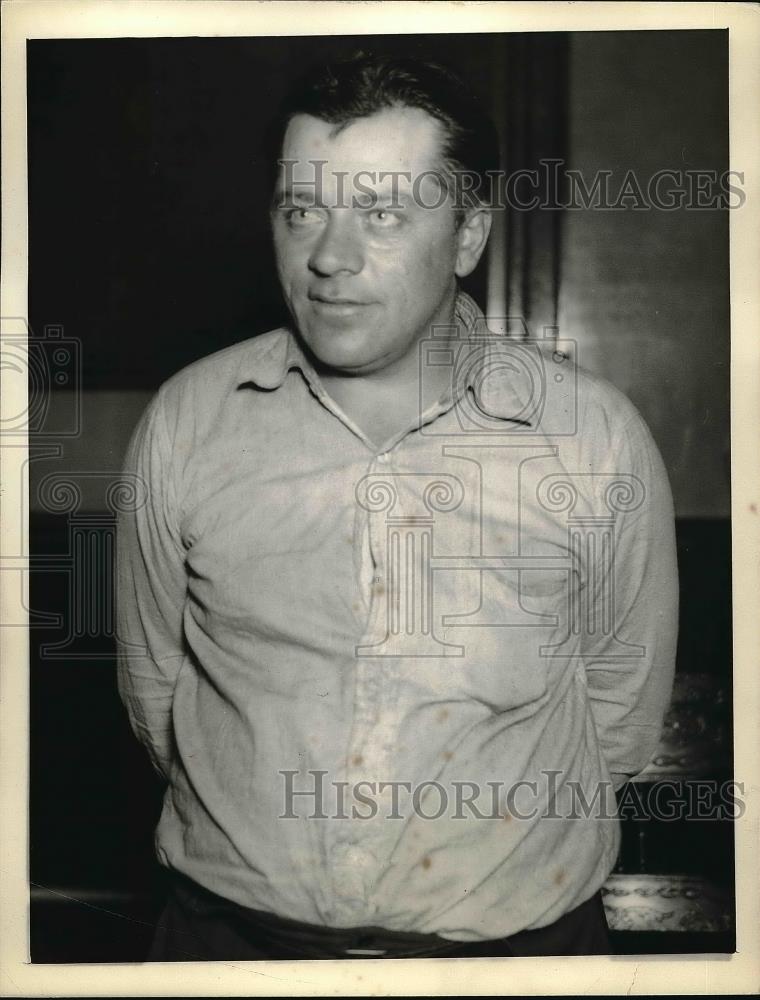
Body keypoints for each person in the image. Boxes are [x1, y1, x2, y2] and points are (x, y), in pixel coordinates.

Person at [116, 52, 678, 960]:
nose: (329, 258)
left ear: (466, 237)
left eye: (382, 214)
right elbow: (158, 690)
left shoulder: (590, 439)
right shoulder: (190, 420)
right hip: (229, 950)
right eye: (302, 211)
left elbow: (618, 715)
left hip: (513, 960)